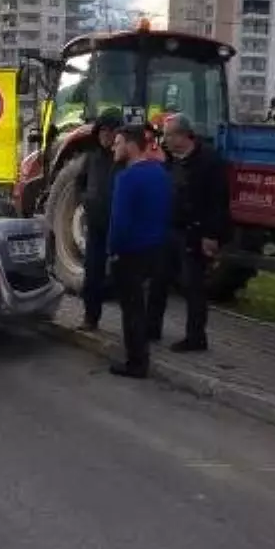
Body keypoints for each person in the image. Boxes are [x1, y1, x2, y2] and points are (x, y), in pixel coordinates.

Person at [151, 113, 230, 352]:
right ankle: (151, 328)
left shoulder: (209, 161)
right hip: (169, 230)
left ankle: (196, 337)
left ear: (183, 135)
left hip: (194, 233)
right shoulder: (170, 160)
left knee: (192, 286)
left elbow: (219, 201)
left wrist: (212, 235)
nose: (165, 141)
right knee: (158, 281)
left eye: (168, 136)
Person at [107, 125, 173, 378]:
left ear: (131, 146)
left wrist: (113, 250)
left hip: (130, 251)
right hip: (156, 248)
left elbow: (120, 221)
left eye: (118, 143)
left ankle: (136, 362)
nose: (114, 147)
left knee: (132, 309)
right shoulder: (160, 173)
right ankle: (142, 351)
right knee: (144, 304)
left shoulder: (127, 178)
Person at [76, 110, 123, 330]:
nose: (106, 135)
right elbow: (80, 183)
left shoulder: (123, 158)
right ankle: (90, 317)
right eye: (103, 130)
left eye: (111, 131)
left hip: (119, 226)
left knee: (122, 277)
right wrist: (86, 200)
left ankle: (131, 326)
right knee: (92, 273)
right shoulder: (92, 158)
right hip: (95, 225)